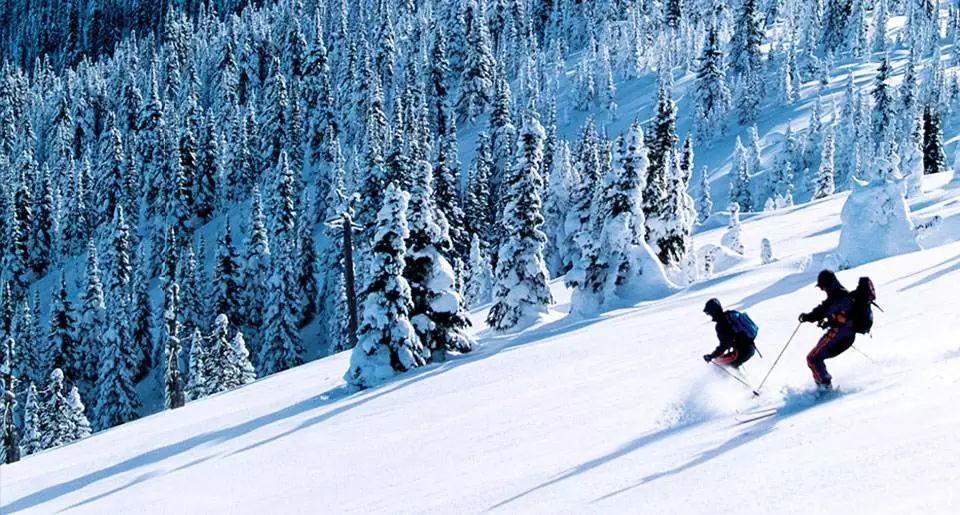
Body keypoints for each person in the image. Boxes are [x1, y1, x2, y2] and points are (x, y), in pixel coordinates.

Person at [798, 270, 856, 391]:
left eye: (822, 287)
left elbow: (824, 310)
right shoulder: (838, 294)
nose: (822, 290)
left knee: (813, 358)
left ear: (828, 284)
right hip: (844, 333)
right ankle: (823, 386)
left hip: (842, 334)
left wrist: (809, 317)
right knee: (814, 358)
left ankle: (825, 389)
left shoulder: (839, 296)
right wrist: (829, 321)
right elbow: (833, 311)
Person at [702, 298, 756, 369]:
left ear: (713, 312)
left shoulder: (721, 325)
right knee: (728, 363)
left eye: (709, 313)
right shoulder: (730, 315)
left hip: (741, 352)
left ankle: (736, 379)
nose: (709, 315)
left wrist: (711, 356)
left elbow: (725, 345)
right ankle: (744, 377)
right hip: (750, 348)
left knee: (719, 365)